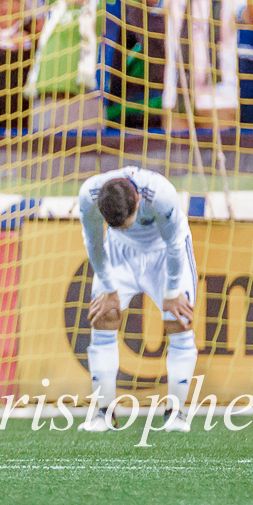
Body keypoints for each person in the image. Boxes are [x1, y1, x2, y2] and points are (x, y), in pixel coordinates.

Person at [76, 166, 197, 433]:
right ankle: (103, 412)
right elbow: (94, 243)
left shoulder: (161, 193)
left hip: (164, 253)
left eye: (127, 221)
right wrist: (108, 288)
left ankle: (176, 413)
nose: (123, 227)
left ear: (139, 201)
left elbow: (176, 243)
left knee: (179, 322)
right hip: (119, 253)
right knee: (104, 318)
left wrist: (172, 291)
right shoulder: (88, 195)